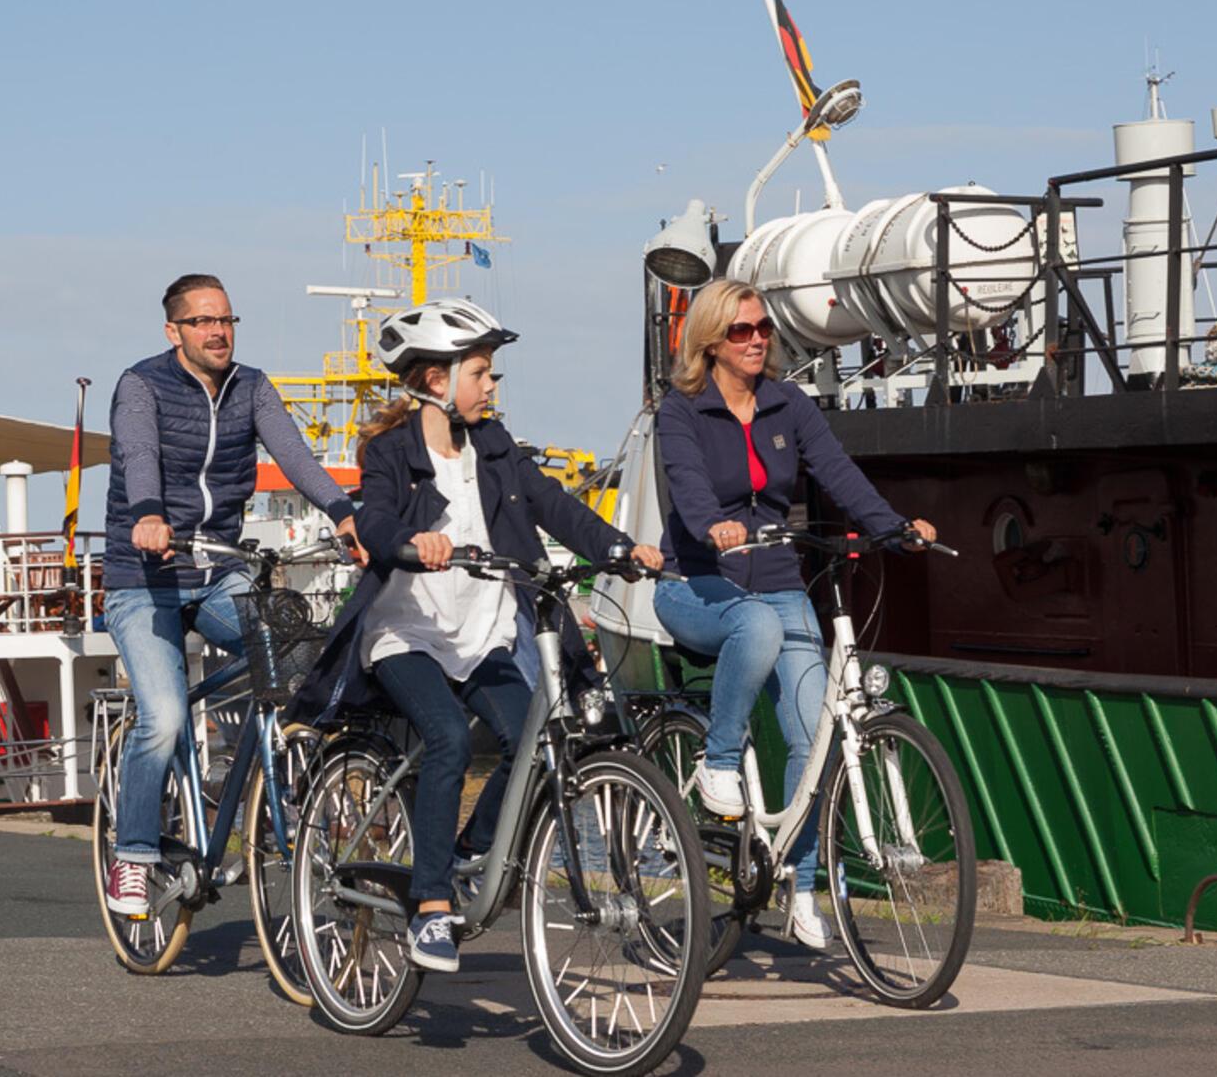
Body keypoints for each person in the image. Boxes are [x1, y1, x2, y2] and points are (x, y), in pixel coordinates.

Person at [285, 298, 662, 972]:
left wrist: (621, 547)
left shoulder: (493, 445)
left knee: (534, 740)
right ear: (437, 380)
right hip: (407, 635)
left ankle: (465, 853)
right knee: (450, 737)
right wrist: (410, 541)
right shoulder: (392, 452)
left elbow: (553, 505)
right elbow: (373, 523)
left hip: (481, 633)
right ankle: (431, 905)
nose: (493, 385)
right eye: (482, 372)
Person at [651, 279, 936, 948]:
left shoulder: (789, 405)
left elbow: (838, 474)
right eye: (739, 331)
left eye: (762, 330)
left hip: (779, 581)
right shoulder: (682, 409)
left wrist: (893, 527)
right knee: (757, 625)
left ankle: (803, 888)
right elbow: (687, 483)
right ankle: (720, 760)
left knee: (814, 737)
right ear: (711, 342)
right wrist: (712, 526)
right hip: (697, 582)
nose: (755, 341)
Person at [103, 273, 365, 916]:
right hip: (146, 579)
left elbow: (296, 456)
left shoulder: (253, 387)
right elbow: (139, 455)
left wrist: (341, 511)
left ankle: (279, 791)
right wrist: (147, 514)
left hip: (220, 570)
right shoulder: (142, 385)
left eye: (225, 320)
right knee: (163, 719)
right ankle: (132, 855)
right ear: (175, 331)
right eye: (202, 322)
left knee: (297, 655)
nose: (218, 331)